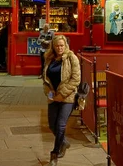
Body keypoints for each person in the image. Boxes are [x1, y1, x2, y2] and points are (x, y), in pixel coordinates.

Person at [42, 35, 80, 165]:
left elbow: (76, 79)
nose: (59, 48)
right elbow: (45, 80)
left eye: (62, 45)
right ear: (53, 46)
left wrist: (62, 95)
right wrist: (49, 92)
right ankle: (64, 143)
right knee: (52, 125)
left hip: (67, 97)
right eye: (57, 46)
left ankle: (55, 154)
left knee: (60, 125)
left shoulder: (72, 58)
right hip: (53, 97)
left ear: (66, 46)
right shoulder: (49, 59)